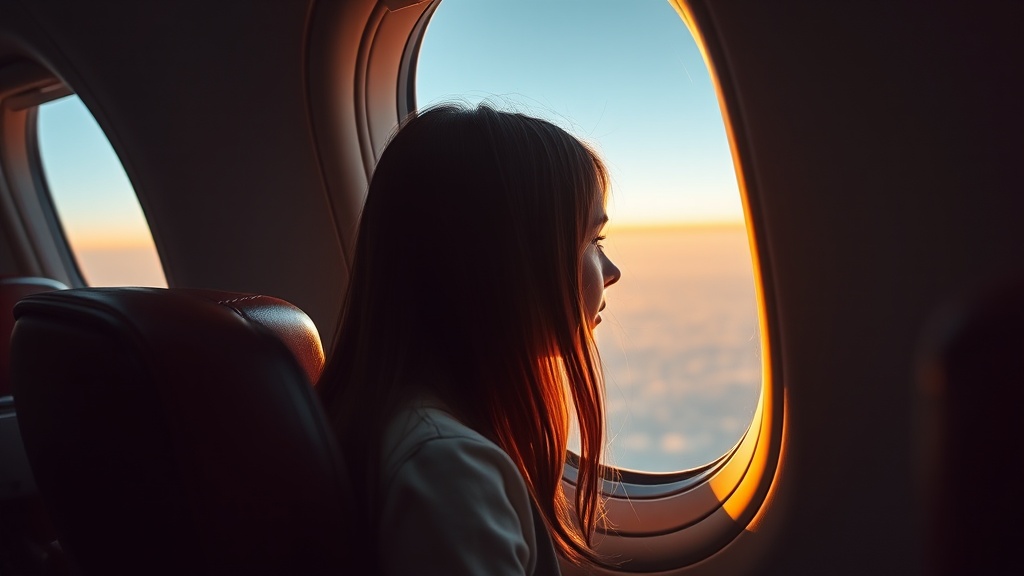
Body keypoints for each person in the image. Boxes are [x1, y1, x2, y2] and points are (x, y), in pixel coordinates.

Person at [317, 103, 621, 575]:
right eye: (593, 243)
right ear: (507, 268)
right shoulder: (447, 468)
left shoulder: (411, 429)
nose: (613, 272)